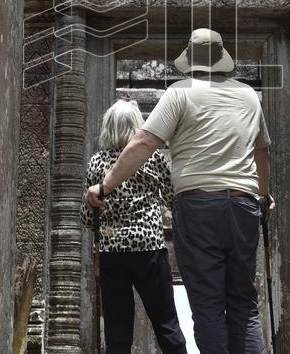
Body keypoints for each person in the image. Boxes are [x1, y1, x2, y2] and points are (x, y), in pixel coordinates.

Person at [85, 28, 273, 354]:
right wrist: (263, 194)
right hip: (243, 204)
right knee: (244, 301)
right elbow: (261, 152)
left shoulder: (179, 93)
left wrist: (106, 185)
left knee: (208, 300)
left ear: (190, 61)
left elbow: (145, 141)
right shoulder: (248, 96)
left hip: (198, 206)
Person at [80, 99, 188, 354]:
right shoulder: (152, 158)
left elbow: (87, 219)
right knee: (166, 324)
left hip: (112, 251)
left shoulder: (97, 162)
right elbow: (173, 199)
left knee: (117, 334)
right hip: (149, 248)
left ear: (108, 127)